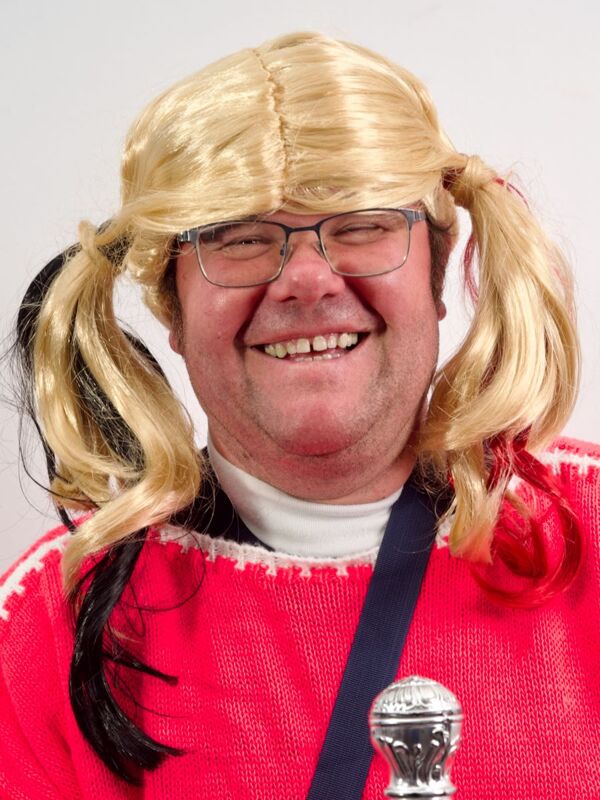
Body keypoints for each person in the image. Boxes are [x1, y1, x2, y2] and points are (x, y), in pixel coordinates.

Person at [0, 31, 598, 799]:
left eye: (362, 223)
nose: (308, 280)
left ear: (437, 271)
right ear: (173, 308)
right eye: (241, 238)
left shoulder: (584, 536)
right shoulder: (53, 631)